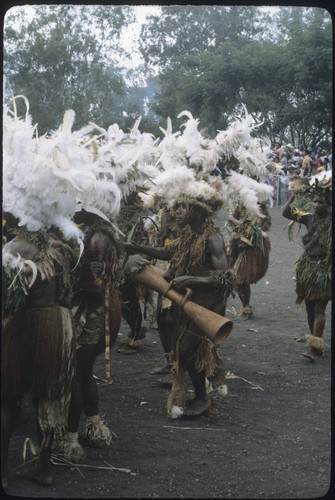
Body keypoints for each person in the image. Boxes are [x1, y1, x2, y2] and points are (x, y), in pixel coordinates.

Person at [124, 194, 232, 418]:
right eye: (179, 206)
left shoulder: (212, 237)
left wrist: (190, 279)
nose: (178, 211)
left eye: (186, 207)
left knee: (186, 350)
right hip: (189, 301)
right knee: (187, 350)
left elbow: (225, 277)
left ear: (200, 211)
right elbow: (168, 252)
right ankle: (202, 391)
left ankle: (203, 398)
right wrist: (139, 249)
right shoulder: (190, 234)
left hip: (207, 304)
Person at [2, 227, 76, 488]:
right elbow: (68, 292)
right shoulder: (61, 249)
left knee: (8, 398)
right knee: (46, 398)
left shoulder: (13, 249)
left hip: (25, 325)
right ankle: (44, 468)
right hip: (56, 324)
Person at [59, 211, 122, 461]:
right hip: (90, 312)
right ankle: (94, 426)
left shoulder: (97, 240)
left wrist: (66, 284)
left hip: (90, 315)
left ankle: (71, 439)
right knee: (83, 372)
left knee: (77, 373)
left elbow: (99, 288)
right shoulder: (96, 234)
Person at [282, 188, 332, 361]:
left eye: (321, 202)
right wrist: (292, 197)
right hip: (308, 268)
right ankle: (316, 342)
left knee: (319, 308)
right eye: (315, 201)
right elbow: (286, 213)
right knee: (310, 308)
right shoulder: (309, 218)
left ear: (329, 204)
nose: (317, 205)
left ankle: (314, 348)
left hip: (325, 271)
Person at [227, 201, 271, 320]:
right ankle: (246, 306)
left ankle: (246, 308)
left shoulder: (260, 207)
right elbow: (231, 223)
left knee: (241, 279)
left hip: (252, 248)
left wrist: (245, 234)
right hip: (237, 245)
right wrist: (234, 232)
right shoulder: (238, 206)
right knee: (235, 279)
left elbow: (261, 228)